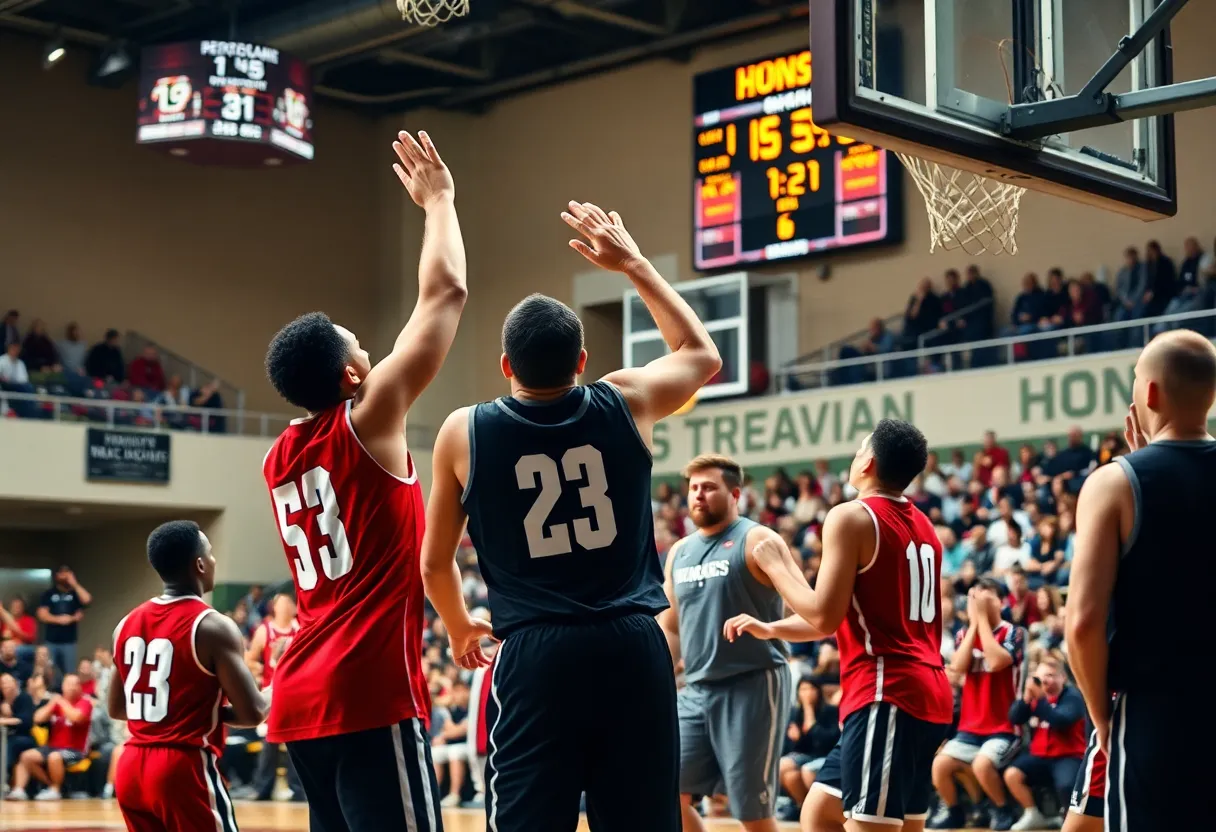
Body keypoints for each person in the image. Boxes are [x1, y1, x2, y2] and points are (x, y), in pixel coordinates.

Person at [420, 200, 722, 832]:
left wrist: (458, 627)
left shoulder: (462, 432)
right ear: (582, 361)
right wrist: (633, 262)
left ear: (506, 367)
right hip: (631, 644)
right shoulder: (627, 399)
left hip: (536, 652)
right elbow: (700, 352)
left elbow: (434, 563)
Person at [261, 130, 466, 832]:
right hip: (365, 689)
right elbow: (446, 293)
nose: (375, 356)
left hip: (301, 692)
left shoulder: (278, 455)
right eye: (363, 350)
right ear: (352, 378)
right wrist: (438, 200)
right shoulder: (366, 420)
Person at [748, 419, 954, 832]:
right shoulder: (924, 526)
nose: (855, 455)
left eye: (860, 448)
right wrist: (772, 629)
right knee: (821, 812)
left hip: (887, 694)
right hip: (925, 693)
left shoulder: (851, 517)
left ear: (869, 462)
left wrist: (777, 565)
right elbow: (839, 616)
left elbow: (823, 613)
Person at [1067, 329, 1216, 831]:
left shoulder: (1114, 484)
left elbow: (1083, 624)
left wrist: (1102, 718)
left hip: (1156, 716)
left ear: (1149, 393)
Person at [660, 454, 817, 832]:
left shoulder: (758, 539)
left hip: (753, 684)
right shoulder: (680, 553)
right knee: (667, 794)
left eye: (709, 487)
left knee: (752, 812)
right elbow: (672, 628)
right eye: (693, 488)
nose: (698, 495)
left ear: (735, 494)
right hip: (695, 691)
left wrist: (770, 628)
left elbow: (815, 616)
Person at [106, 520, 268, 830]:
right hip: (181, 767)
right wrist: (279, 690)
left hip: (131, 767)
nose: (214, 559)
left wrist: (180, 710)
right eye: (210, 553)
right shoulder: (212, 625)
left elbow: (117, 707)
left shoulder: (125, 623)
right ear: (200, 565)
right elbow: (254, 711)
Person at [929, 579, 1026, 831]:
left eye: (986, 595)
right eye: (974, 596)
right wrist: (975, 623)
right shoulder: (964, 634)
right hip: (971, 726)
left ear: (1002, 601)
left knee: (983, 763)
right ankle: (955, 811)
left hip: (1004, 726)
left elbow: (995, 663)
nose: (978, 600)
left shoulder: (1014, 632)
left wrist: (981, 619)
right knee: (940, 764)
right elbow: (958, 666)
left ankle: (1003, 809)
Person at [1002, 657, 1087, 830]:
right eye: (1040, 678)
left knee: (1066, 785)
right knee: (1012, 774)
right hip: (1040, 756)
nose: (1045, 681)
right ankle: (1033, 814)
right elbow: (1014, 718)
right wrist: (1025, 699)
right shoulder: (1036, 696)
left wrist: (1040, 699)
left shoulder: (1073, 696)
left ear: (1062, 677)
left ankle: (1071, 822)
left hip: (1068, 755)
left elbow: (1061, 721)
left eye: (1050, 676)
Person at [243, 592, 301, 802]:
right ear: (274, 608)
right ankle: (262, 788)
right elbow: (249, 659)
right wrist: (258, 669)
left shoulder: (300, 629)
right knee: (270, 742)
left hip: (296, 693)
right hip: (273, 692)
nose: (286, 607)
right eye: (282, 604)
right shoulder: (264, 630)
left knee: (297, 742)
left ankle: (299, 790)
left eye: (289, 603)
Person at [7, 672, 93, 801]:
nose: (72, 687)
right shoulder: (55, 703)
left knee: (55, 757)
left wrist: (62, 702)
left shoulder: (84, 703)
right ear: (63, 686)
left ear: (80, 687)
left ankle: (56, 790)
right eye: (68, 684)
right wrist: (51, 705)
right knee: (26, 756)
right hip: (52, 747)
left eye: (75, 684)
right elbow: (37, 718)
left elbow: (76, 718)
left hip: (76, 751)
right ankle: (20, 790)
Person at [36, 566, 91, 673]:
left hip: (69, 641)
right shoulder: (49, 593)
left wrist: (74, 583)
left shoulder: (74, 594)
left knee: (70, 671)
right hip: (51, 640)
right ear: (56, 576)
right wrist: (61, 619)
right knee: (49, 671)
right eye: (62, 573)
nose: (65, 576)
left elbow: (87, 600)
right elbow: (42, 615)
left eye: (68, 572)